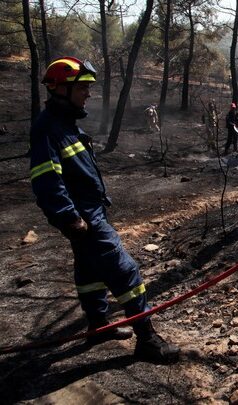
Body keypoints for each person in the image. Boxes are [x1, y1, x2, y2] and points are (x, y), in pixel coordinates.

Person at [30, 56, 180, 363]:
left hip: (88, 213)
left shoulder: (64, 124)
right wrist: (70, 217)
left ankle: (98, 325)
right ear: (62, 89)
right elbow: (46, 180)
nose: (88, 93)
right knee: (127, 272)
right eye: (83, 87)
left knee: (89, 272)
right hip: (85, 217)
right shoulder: (49, 129)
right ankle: (148, 339)